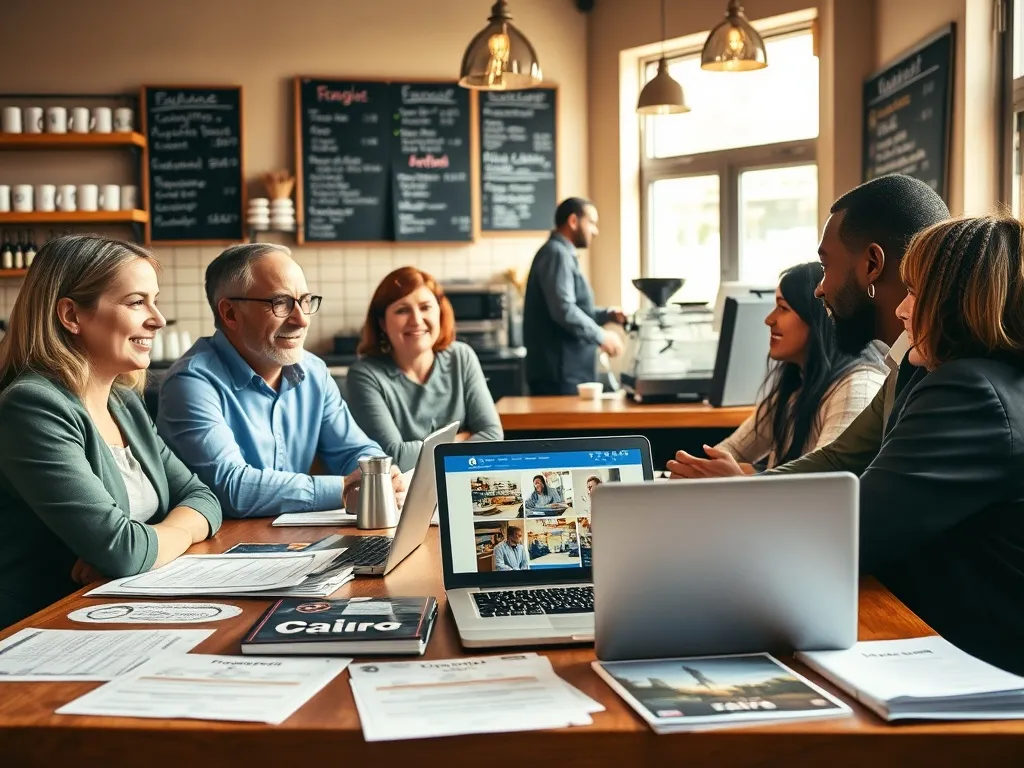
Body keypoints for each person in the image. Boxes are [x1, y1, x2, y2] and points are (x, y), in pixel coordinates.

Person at [0, 235, 221, 628]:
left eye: (154, 300)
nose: (156, 318)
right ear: (70, 315)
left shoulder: (124, 402)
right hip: (37, 629)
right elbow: (123, 552)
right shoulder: (32, 406)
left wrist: (156, 537)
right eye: (137, 302)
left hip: (109, 613)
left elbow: (203, 497)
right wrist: (140, 544)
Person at [666, 174, 950, 479]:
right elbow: (833, 462)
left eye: (826, 267)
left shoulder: (945, 381)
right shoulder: (900, 367)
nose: (820, 289)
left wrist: (743, 486)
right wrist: (744, 483)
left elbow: (859, 497)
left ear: (871, 265)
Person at [846, 213, 1024, 674]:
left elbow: (853, 533)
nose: (902, 310)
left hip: (982, 670)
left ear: (955, 302)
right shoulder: (1003, 383)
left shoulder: (969, 391)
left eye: (915, 292)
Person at [157, 243, 403, 519]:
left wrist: (380, 473)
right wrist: (343, 489)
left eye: (305, 301)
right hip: (219, 549)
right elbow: (230, 487)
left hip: (293, 540)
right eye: (281, 303)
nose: (301, 320)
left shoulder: (314, 372)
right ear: (230, 314)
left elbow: (353, 450)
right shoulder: (191, 382)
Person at [694, 262, 888, 472]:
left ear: (819, 316)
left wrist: (746, 477)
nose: (769, 320)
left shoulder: (858, 387)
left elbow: (827, 483)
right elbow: (732, 449)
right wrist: (695, 469)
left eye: (783, 308)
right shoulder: (798, 384)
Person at [345, 267, 504, 472]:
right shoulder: (365, 375)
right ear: (383, 323)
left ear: (440, 311)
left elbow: (492, 436)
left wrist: (422, 451)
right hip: (404, 495)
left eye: (425, 307)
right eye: (402, 310)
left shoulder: (461, 357)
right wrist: (462, 438)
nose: (416, 320)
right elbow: (395, 457)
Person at [523, 197, 627, 395]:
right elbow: (563, 309)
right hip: (559, 376)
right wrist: (601, 336)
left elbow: (574, 309)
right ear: (573, 221)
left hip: (566, 373)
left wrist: (608, 314)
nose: (595, 231)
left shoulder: (560, 254)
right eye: (592, 223)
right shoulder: (556, 254)